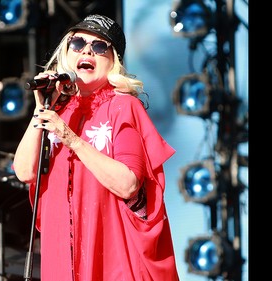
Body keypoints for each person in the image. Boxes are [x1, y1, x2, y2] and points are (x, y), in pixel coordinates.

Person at [13, 14, 180, 281]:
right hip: (63, 259)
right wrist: (40, 109)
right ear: (66, 54)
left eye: (100, 46)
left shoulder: (122, 107)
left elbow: (128, 184)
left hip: (111, 260)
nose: (88, 50)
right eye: (78, 43)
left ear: (113, 61)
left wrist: (72, 140)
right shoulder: (56, 112)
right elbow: (23, 171)